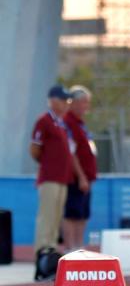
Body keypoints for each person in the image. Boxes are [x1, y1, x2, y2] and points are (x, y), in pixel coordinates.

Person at [30, 85, 76, 259]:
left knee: (57, 216)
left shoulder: (61, 123)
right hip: (49, 177)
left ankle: (51, 247)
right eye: (63, 100)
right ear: (52, 101)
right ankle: (42, 250)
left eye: (68, 101)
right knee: (47, 215)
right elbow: (35, 148)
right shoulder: (44, 121)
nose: (66, 104)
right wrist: (48, 163)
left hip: (62, 177)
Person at [62, 86, 96, 251]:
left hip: (87, 176)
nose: (86, 106)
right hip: (75, 177)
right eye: (83, 102)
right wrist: (81, 176)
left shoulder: (81, 124)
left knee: (83, 213)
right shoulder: (68, 122)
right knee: (72, 212)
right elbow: (71, 152)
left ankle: (78, 245)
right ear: (72, 103)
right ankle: (70, 247)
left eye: (87, 103)